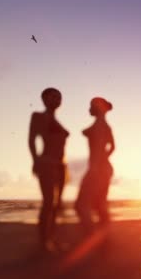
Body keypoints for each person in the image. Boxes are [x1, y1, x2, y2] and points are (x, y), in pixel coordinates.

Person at [28, 88, 69, 252]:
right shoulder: (38, 116)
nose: (56, 99)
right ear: (43, 99)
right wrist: (36, 161)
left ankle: (51, 239)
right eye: (52, 96)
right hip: (47, 163)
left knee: (57, 204)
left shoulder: (57, 121)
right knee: (48, 202)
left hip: (61, 166)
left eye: (59, 97)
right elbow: (31, 140)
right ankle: (44, 242)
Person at [75, 97, 115, 234]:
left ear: (98, 108)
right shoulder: (105, 125)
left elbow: (98, 148)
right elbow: (112, 147)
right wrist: (104, 159)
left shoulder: (99, 126)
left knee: (81, 205)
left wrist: (96, 166)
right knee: (99, 204)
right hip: (105, 167)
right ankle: (103, 236)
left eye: (91, 105)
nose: (89, 109)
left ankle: (92, 235)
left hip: (97, 168)